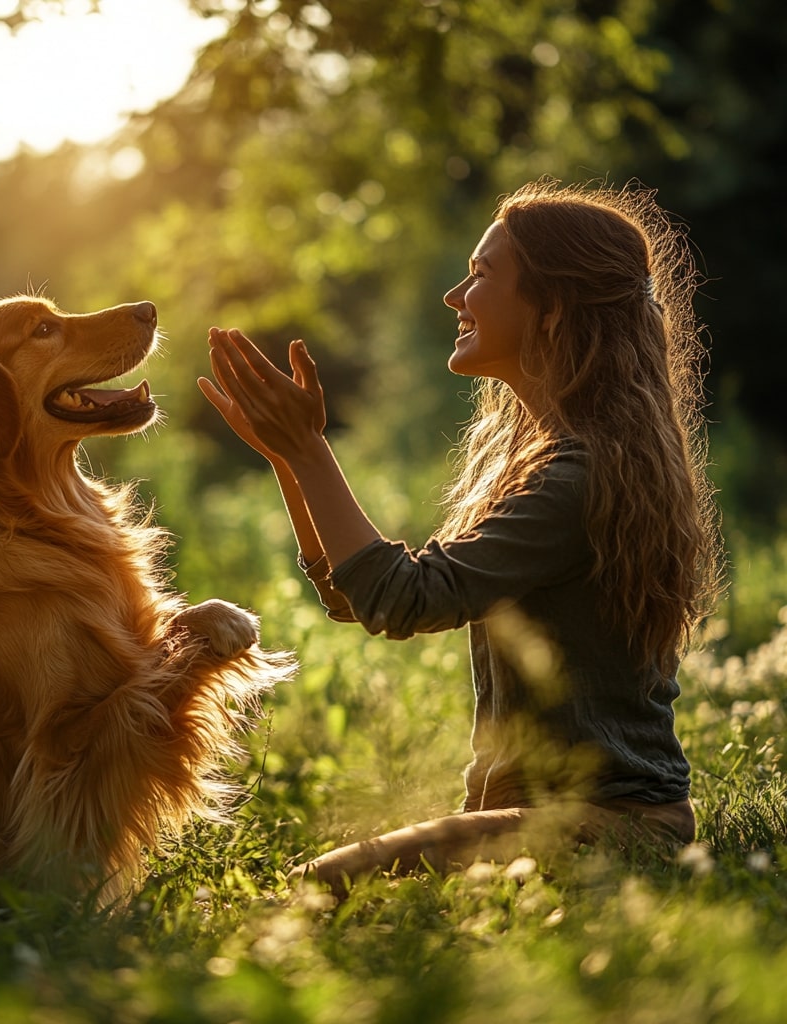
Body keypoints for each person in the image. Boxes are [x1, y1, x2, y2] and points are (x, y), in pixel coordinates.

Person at [198, 179, 722, 898]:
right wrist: (292, 457)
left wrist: (311, 451)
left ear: (551, 309)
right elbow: (359, 595)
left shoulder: (582, 475)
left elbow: (398, 600)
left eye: (480, 275)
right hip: (538, 818)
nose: (455, 296)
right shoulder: (556, 457)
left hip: (607, 825)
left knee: (303, 893)